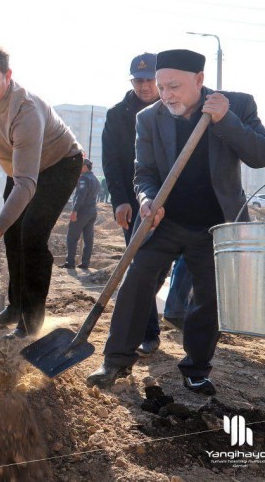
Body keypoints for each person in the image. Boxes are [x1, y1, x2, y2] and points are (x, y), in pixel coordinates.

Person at [87, 49, 265, 395]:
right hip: (165, 222)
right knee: (136, 281)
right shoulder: (149, 118)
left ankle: (196, 368)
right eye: (161, 86)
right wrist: (146, 199)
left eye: (174, 87)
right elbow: (145, 173)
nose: (166, 95)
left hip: (216, 226)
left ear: (199, 80)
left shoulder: (237, 105)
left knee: (209, 299)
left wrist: (225, 120)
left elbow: (259, 156)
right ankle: (115, 361)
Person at [0, 43, 83, 339]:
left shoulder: (25, 111)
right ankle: (15, 307)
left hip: (59, 164)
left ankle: (31, 321)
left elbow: (27, 185)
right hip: (18, 167)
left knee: (31, 235)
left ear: (7, 76)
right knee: (13, 235)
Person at [102, 52, 188, 357]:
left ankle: (142, 313)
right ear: (132, 81)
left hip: (174, 205)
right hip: (137, 205)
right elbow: (111, 162)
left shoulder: (176, 110)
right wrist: (120, 201)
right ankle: (148, 333)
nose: (144, 86)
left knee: (158, 270)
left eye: (150, 79)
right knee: (141, 267)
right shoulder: (118, 116)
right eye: (138, 80)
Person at [60, 158, 99, 269]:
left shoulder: (84, 179)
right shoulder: (95, 179)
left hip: (82, 211)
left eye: (79, 166)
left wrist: (74, 211)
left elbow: (80, 196)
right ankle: (85, 263)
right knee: (88, 238)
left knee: (72, 237)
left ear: (85, 166)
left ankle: (70, 262)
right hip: (92, 211)